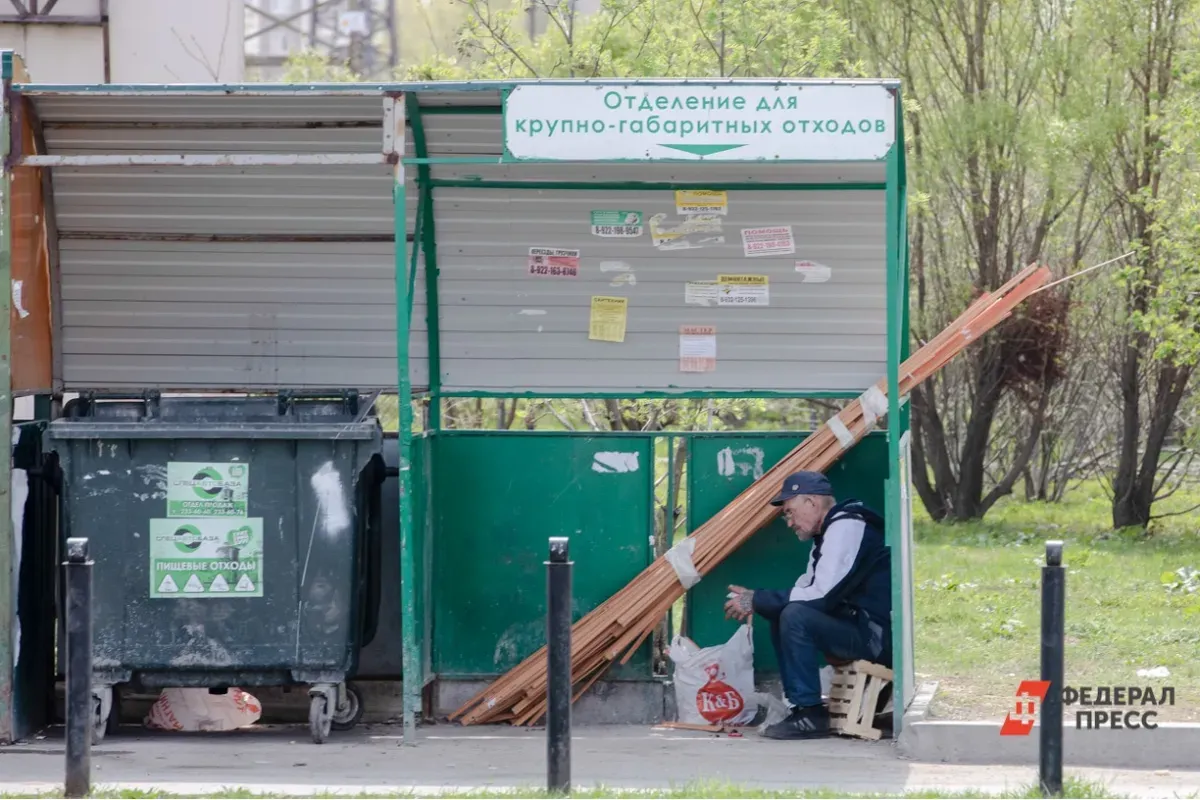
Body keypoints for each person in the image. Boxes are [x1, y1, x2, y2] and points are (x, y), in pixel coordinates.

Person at [723, 470, 892, 740]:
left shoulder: (846, 526)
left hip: (876, 638)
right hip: (858, 626)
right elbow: (804, 590)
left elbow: (819, 595)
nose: (789, 522)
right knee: (783, 610)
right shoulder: (825, 535)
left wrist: (757, 598)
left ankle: (811, 714)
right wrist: (759, 600)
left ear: (812, 503)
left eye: (790, 512)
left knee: (795, 613)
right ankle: (801, 707)